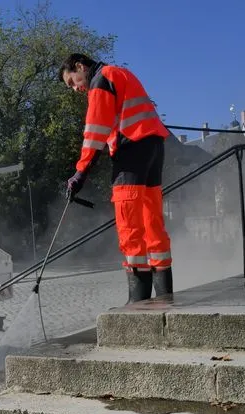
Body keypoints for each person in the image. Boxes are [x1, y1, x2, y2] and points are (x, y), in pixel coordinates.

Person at [58, 53, 173, 302]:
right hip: (154, 147)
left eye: (72, 82)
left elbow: (95, 131)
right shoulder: (121, 73)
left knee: (129, 222)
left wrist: (80, 173)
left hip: (130, 150)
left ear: (80, 66)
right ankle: (165, 297)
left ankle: (138, 301)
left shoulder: (100, 80)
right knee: (151, 220)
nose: (76, 88)